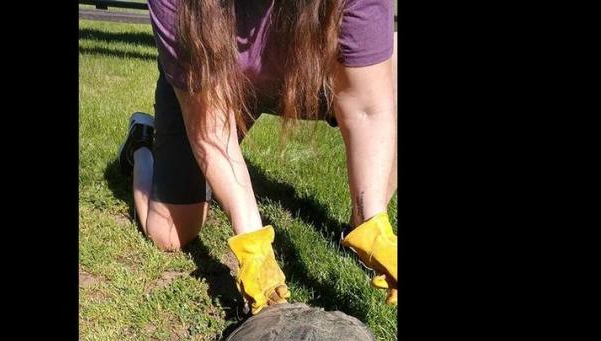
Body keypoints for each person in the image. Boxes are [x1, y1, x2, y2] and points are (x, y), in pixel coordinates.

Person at [117, 0, 397, 315]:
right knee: (168, 233)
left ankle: (363, 226)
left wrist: (373, 218)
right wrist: (252, 243)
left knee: (392, 71)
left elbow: (367, 109)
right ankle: (141, 143)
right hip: (216, 83)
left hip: (307, 71)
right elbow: (212, 131)